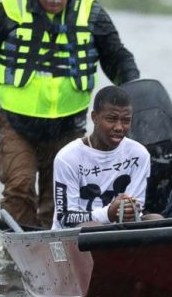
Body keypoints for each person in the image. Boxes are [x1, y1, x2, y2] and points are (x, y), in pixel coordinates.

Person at [0, 0, 140, 228]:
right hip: (17, 124)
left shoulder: (92, 13)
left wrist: (134, 90)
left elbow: (117, 57)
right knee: (19, 187)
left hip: (68, 127)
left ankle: (50, 253)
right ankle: (16, 257)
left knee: (58, 200)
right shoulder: (10, 9)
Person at [52, 86, 150, 229]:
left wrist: (129, 210)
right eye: (111, 119)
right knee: (93, 226)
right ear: (94, 117)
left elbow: (135, 213)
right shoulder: (67, 158)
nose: (119, 127)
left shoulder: (139, 154)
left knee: (155, 219)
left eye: (126, 120)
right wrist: (108, 214)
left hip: (120, 233)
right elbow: (65, 218)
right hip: (76, 235)